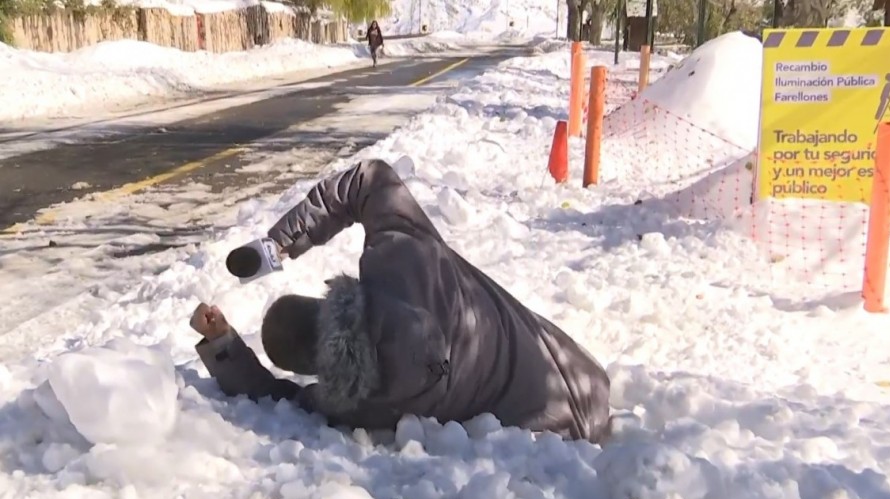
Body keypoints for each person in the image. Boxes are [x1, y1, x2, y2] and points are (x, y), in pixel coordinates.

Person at [190, 159, 612, 443]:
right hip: (583, 378)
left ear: (312, 368)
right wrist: (275, 245)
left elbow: (271, 396)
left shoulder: (367, 407)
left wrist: (222, 343)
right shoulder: (402, 255)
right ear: (323, 301)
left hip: (554, 437)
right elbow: (367, 180)